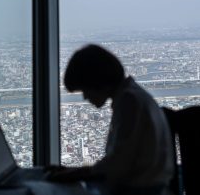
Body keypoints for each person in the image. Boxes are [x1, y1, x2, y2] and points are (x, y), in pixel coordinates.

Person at [47, 44, 175, 195]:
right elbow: (120, 161)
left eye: (85, 89)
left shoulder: (129, 101)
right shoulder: (132, 96)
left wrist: (76, 173)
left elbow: (119, 164)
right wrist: (75, 171)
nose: (85, 97)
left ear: (98, 82)